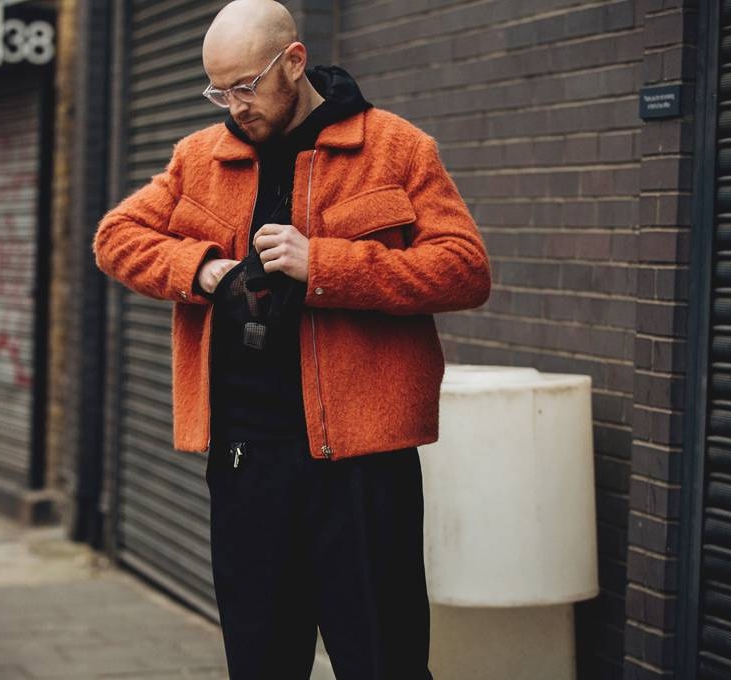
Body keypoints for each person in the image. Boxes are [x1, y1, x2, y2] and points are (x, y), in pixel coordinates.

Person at [93, 1, 491, 677]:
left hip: (363, 464)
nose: (232, 105)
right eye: (218, 90)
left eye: (245, 86)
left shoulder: (394, 148)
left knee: (383, 660)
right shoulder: (200, 156)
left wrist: (327, 265)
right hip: (248, 458)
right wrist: (204, 269)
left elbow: (465, 271)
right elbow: (115, 238)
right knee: (261, 661)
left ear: (295, 61)